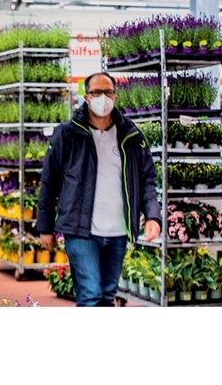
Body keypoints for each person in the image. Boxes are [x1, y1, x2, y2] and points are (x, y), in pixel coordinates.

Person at [36, 72, 162, 307]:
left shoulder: (131, 135)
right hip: (80, 230)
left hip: (118, 232)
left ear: (115, 97)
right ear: (86, 97)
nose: (103, 98)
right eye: (96, 92)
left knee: (106, 296)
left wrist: (153, 216)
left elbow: (147, 180)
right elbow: (49, 181)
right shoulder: (68, 133)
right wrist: (45, 227)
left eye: (108, 92)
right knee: (91, 294)